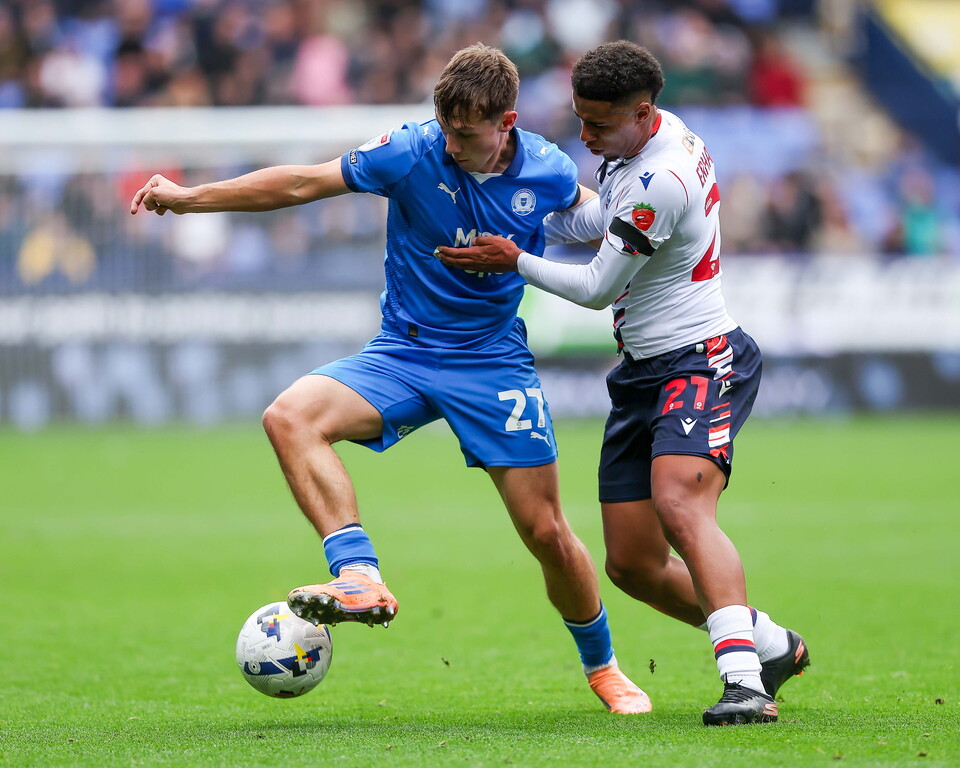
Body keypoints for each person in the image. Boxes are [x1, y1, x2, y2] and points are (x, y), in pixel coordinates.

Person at [130, 44, 650, 715]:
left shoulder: (547, 169)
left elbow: (602, 224)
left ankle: (603, 667)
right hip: (400, 354)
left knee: (546, 531)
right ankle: (359, 574)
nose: (451, 143)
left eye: (465, 134)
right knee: (289, 417)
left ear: (506, 123)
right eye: (444, 126)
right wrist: (191, 198)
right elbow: (299, 184)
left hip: (492, 362)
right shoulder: (409, 152)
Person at [437, 40, 810, 726]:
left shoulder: (660, 179)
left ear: (643, 112)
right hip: (642, 374)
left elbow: (594, 286)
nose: (586, 136)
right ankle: (767, 644)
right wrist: (518, 203)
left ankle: (744, 685)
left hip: (701, 357)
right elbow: (592, 220)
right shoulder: (638, 151)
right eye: (581, 119)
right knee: (633, 564)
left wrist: (512, 257)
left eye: (600, 125)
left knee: (680, 505)